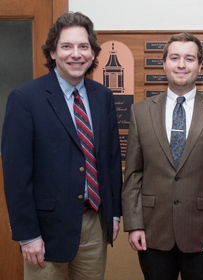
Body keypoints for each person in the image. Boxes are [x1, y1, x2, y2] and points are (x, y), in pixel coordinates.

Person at [1, 12, 122, 280]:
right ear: (53, 52)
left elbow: (111, 160)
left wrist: (114, 215)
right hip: (46, 229)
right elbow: (16, 175)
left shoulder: (103, 97)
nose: (76, 54)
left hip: (95, 222)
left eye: (83, 46)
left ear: (92, 53)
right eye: (66, 46)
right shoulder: (25, 99)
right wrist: (27, 234)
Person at [122, 32, 203, 280]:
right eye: (174, 57)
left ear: (200, 66)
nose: (182, 65)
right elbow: (133, 174)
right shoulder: (140, 112)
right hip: (153, 231)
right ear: (164, 64)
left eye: (189, 58)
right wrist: (134, 223)